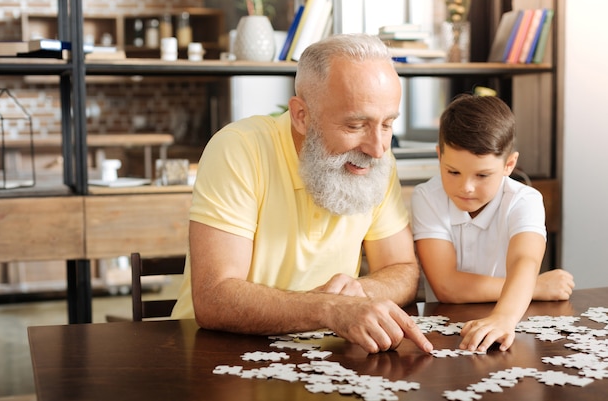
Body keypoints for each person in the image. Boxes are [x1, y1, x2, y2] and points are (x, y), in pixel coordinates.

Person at [171, 33, 433, 355]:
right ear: (301, 116)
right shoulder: (238, 148)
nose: (378, 148)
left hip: (323, 357)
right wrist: (328, 309)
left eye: (387, 124)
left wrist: (359, 292)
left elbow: (404, 269)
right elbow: (215, 298)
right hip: (213, 355)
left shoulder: (375, 161)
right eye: (355, 126)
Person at [411, 93, 574, 353]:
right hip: (442, 335)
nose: (466, 187)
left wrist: (505, 317)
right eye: (453, 171)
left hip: (512, 324)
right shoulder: (427, 197)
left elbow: (525, 261)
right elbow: (446, 287)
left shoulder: (525, 200)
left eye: (483, 175)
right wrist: (538, 286)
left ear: (509, 164)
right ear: (439, 156)